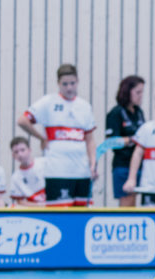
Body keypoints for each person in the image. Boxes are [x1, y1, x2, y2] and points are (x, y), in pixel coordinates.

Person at [17, 63, 97, 207]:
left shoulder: (85, 106)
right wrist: (41, 137)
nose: (69, 88)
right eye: (65, 84)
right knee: (60, 214)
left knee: (83, 214)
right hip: (57, 172)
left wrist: (93, 164)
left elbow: (90, 140)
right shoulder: (48, 102)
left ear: (77, 82)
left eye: (72, 83)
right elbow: (22, 120)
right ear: (58, 83)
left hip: (82, 172)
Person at [104, 75, 146, 207]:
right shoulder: (116, 113)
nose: (141, 96)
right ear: (128, 92)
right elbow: (110, 142)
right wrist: (131, 140)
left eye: (142, 92)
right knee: (127, 204)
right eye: (138, 92)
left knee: (134, 203)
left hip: (138, 165)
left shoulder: (138, 112)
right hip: (123, 166)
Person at [8, 136, 46, 206]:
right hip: (34, 210)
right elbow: (20, 202)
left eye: (22, 150)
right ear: (13, 155)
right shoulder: (15, 177)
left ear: (29, 150)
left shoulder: (44, 163)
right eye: (16, 152)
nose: (20, 154)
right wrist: (41, 207)